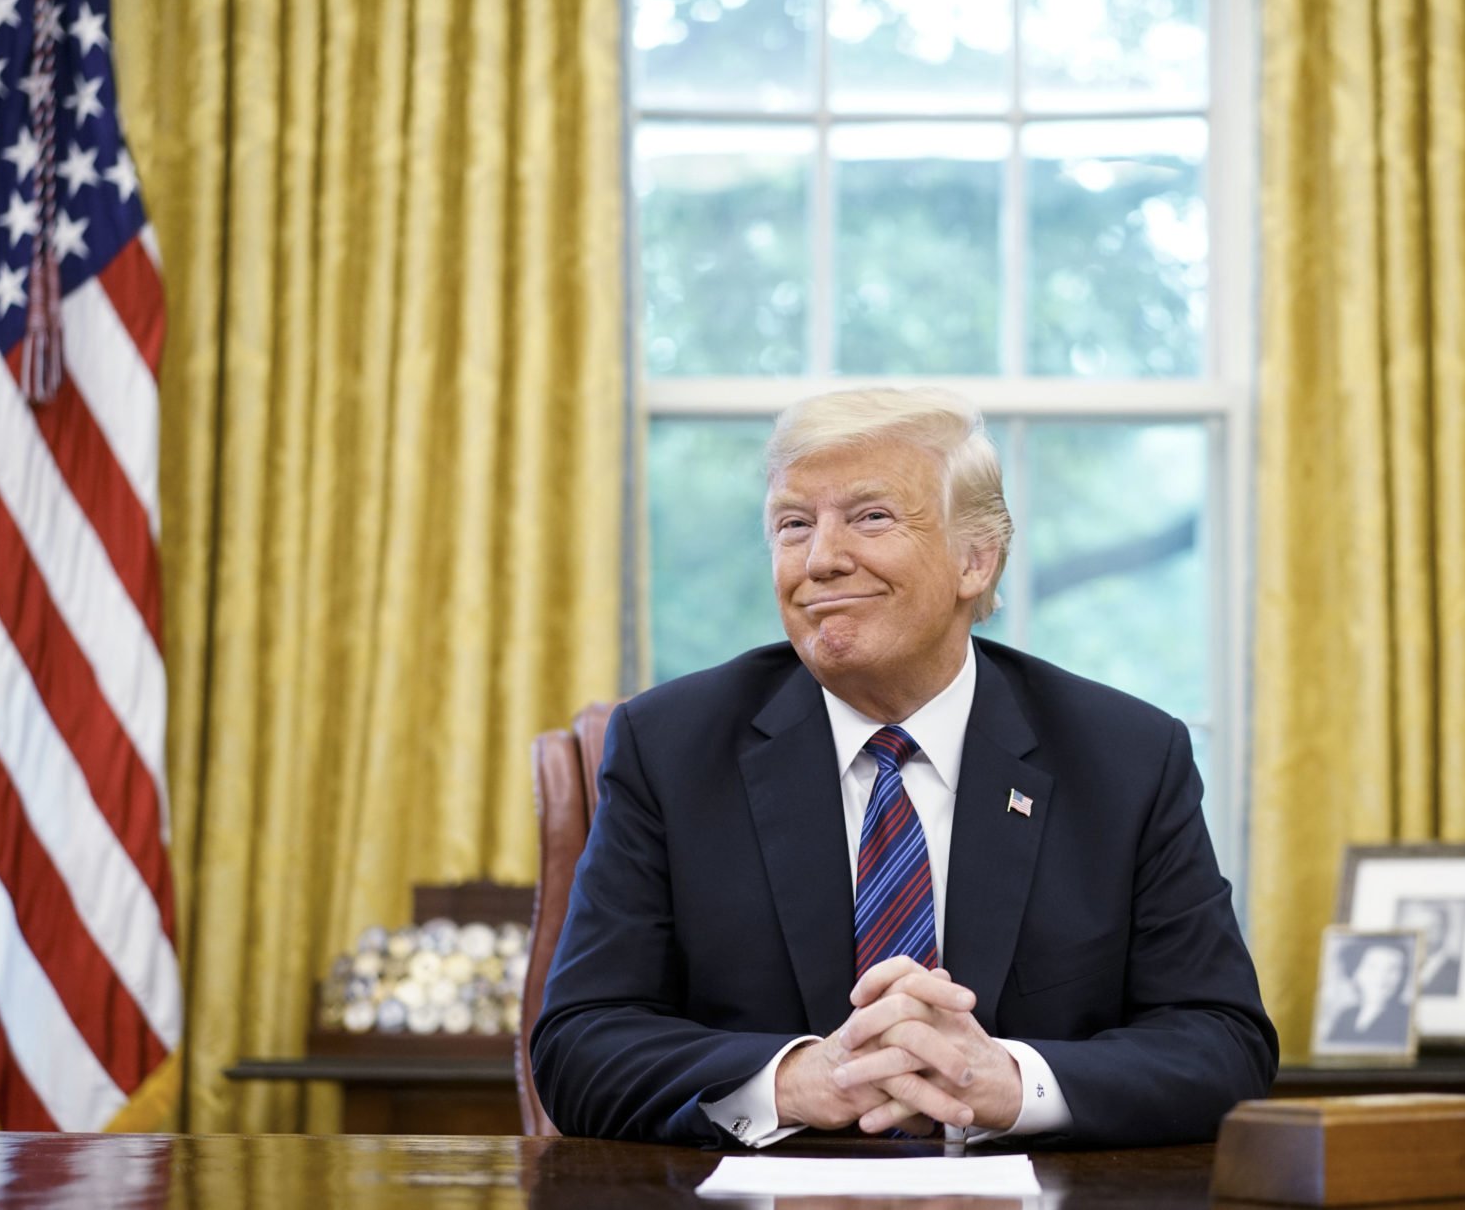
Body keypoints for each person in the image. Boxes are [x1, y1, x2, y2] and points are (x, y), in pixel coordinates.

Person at [530, 387, 1277, 1147]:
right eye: (794, 525)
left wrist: (1008, 1083)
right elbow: (578, 1044)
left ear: (974, 561)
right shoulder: (671, 749)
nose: (821, 559)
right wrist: (800, 1081)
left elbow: (1222, 1045)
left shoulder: (1125, 759)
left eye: (870, 517)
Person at [1323, 941, 1412, 1048]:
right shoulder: (1346, 1015)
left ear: (1403, 977)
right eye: (1372, 967)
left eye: (1393, 969)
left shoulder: (1406, 1017)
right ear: (1356, 973)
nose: (1382, 977)